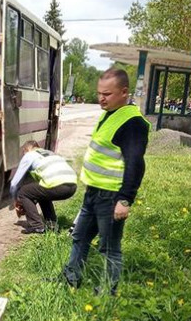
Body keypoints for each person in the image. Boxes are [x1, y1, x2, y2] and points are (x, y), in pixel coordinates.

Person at [62, 67, 150, 295]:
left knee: (109, 248)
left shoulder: (132, 123)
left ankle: (107, 293)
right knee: (79, 237)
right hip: (94, 192)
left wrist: (125, 200)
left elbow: (135, 164)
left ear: (124, 92)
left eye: (107, 94)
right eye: (99, 93)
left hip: (111, 196)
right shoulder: (110, 113)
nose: (101, 98)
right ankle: (70, 278)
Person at [9, 140, 77, 234]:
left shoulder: (29, 155)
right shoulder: (50, 153)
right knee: (40, 191)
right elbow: (35, 188)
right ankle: (52, 225)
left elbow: (14, 183)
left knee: (23, 192)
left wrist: (16, 200)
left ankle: (37, 226)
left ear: (26, 150)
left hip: (58, 184)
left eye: (23, 153)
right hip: (72, 185)